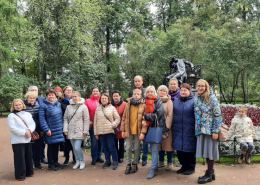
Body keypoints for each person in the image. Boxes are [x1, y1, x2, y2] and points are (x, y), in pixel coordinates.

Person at [194, 79, 222, 184]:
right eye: (199, 85)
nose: (200, 87)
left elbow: (218, 115)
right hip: (201, 129)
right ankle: (211, 172)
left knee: (210, 152)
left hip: (210, 130)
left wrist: (215, 130)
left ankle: (209, 174)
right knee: (206, 152)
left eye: (203, 86)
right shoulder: (197, 98)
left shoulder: (212, 98)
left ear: (206, 87)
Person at [141, 85, 166, 179]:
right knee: (146, 147)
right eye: (148, 92)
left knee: (154, 148)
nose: (150, 93)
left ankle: (153, 168)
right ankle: (150, 164)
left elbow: (159, 114)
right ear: (146, 93)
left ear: (154, 92)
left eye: (152, 91)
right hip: (145, 127)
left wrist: (146, 116)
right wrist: (143, 118)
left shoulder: (158, 100)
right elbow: (141, 113)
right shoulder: (143, 101)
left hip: (154, 127)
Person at [7, 99, 36, 181]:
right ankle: (20, 175)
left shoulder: (27, 114)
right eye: (16, 105)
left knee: (28, 156)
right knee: (20, 158)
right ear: (13, 106)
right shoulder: (11, 116)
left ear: (22, 105)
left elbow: (32, 123)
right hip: (18, 140)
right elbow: (12, 128)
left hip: (28, 138)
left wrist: (29, 130)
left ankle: (29, 172)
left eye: (19, 104)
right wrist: (24, 132)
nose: (18, 106)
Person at [172, 83, 197, 175]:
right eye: (181, 90)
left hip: (189, 128)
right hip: (178, 128)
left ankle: (191, 167)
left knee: (189, 149)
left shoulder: (194, 101)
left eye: (185, 90)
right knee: (180, 149)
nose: (183, 92)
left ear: (189, 91)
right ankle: (183, 166)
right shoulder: (176, 100)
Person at [121, 89, 146, 174]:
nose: (136, 95)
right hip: (129, 130)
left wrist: (142, 132)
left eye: (138, 94)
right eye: (134, 94)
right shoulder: (128, 104)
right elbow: (124, 118)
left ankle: (135, 163)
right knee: (128, 148)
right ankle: (128, 164)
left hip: (138, 131)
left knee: (136, 148)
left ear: (141, 95)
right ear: (132, 95)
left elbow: (144, 119)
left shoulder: (143, 105)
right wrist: (123, 130)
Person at [39, 89, 65, 171]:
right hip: (50, 129)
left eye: (52, 95)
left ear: (55, 95)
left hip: (58, 129)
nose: (51, 96)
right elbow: (42, 119)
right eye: (49, 95)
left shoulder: (58, 104)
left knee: (56, 146)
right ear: (46, 96)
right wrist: (46, 129)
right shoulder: (43, 106)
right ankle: (51, 164)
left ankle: (56, 162)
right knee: (50, 146)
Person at [63, 91, 89, 169]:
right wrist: (65, 129)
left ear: (79, 97)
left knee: (77, 147)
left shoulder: (83, 107)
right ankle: (77, 161)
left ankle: (82, 160)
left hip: (79, 130)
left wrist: (85, 130)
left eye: (76, 96)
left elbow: (86, 119)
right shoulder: (68, 107)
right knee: (74, 147)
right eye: (73, 96)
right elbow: (65, 119)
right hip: (70, 130)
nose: (74, 98)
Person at [94, 93, 120, 170]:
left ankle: (115, 161)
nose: (104, 100)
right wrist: (96, 132)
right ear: (100, 100)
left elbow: (118, 118)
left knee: (111, 147)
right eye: (102, 98)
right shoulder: (98, 109)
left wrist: (113, 125)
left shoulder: (112, 108)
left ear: (108, 100)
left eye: (105, 98)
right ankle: (107, 160)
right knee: (105, 148)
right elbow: (95, 121)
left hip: (110, 131)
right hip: (101, 132)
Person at [128, 75, 148, 166]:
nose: (137, 83)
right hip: (134, 120)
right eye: (135, 81)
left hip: (143, 118)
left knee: (144, 140)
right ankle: (137, 157)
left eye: (139, 81)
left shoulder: (145, 91)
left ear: (142, 82)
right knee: (136, 142)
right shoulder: (131, 92)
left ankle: (144, 157)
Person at [28, 85, 47, 164]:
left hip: (40, 125)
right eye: (32, 90)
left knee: (41, 142)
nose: (34, 91)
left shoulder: (42, 99)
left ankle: (42, 157)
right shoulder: (25, 101)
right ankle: (32, 158)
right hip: (29, 126)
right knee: (31, 143)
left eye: (35, 90)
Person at [23, 91, 43, 170]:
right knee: (29, 147)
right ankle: (29, 163)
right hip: (27, 129)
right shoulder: (24, 107)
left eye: (33, 98)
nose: (32, 99)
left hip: (37, 129)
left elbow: (39, 118)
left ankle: (37, 163)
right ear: (27, 98)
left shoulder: (37, 106)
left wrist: (41, 129)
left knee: (37, 147)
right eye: (30, 98)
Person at [84, 87, 104, 165]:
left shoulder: (102, 100)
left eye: (97, 91)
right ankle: (94, 157)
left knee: (100, 141)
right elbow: (85, 112)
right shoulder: (87, 101)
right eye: (94, 91)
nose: (95, 92)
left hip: (101, 124)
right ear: (92, 92)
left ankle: (99, 156)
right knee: (94, 141)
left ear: (99, 92)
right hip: (92, 125)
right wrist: (88, 121)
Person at [157, 85, 174, 171]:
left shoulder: (169, 102)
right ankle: (161, 161)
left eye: (164, 91)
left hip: (167, 128)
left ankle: (170, 162)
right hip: (157, 127)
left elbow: (170, 114)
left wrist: (166, 127)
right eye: (161, 90)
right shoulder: (155, 100)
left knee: (168, 146)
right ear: (158, 92)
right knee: (159, 145)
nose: (162, 92)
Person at [60, 85, 76, 165]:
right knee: (66, 143)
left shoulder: (76, 100)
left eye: (70, 90)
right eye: (67, 90)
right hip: (65, 124)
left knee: (75, 141)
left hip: (75, 125)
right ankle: (67, 158)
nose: (69, 92)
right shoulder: (60, 101)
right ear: (64, 92)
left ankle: (75, 158)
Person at [168, 77, 181, 167]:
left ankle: (181, 160)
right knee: (169, 141)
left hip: (178, 121)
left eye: (174, 84)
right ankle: (170, 159)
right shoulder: (166, 94)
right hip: (169, 121)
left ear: (177, 85)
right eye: (171, 84)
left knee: (178, 140)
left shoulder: (180, 94)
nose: (172, 85)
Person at [111, 90, 126, 163]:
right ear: (112, 97)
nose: (115, 97)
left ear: (120, 96)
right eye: (114, 96)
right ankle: (116, 156)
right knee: (114, 142)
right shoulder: (110, 104)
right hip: (113, 126)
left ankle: (121, 156)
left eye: (117, 96)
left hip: (121, 126)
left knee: (121, 142)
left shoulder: (124, 104)